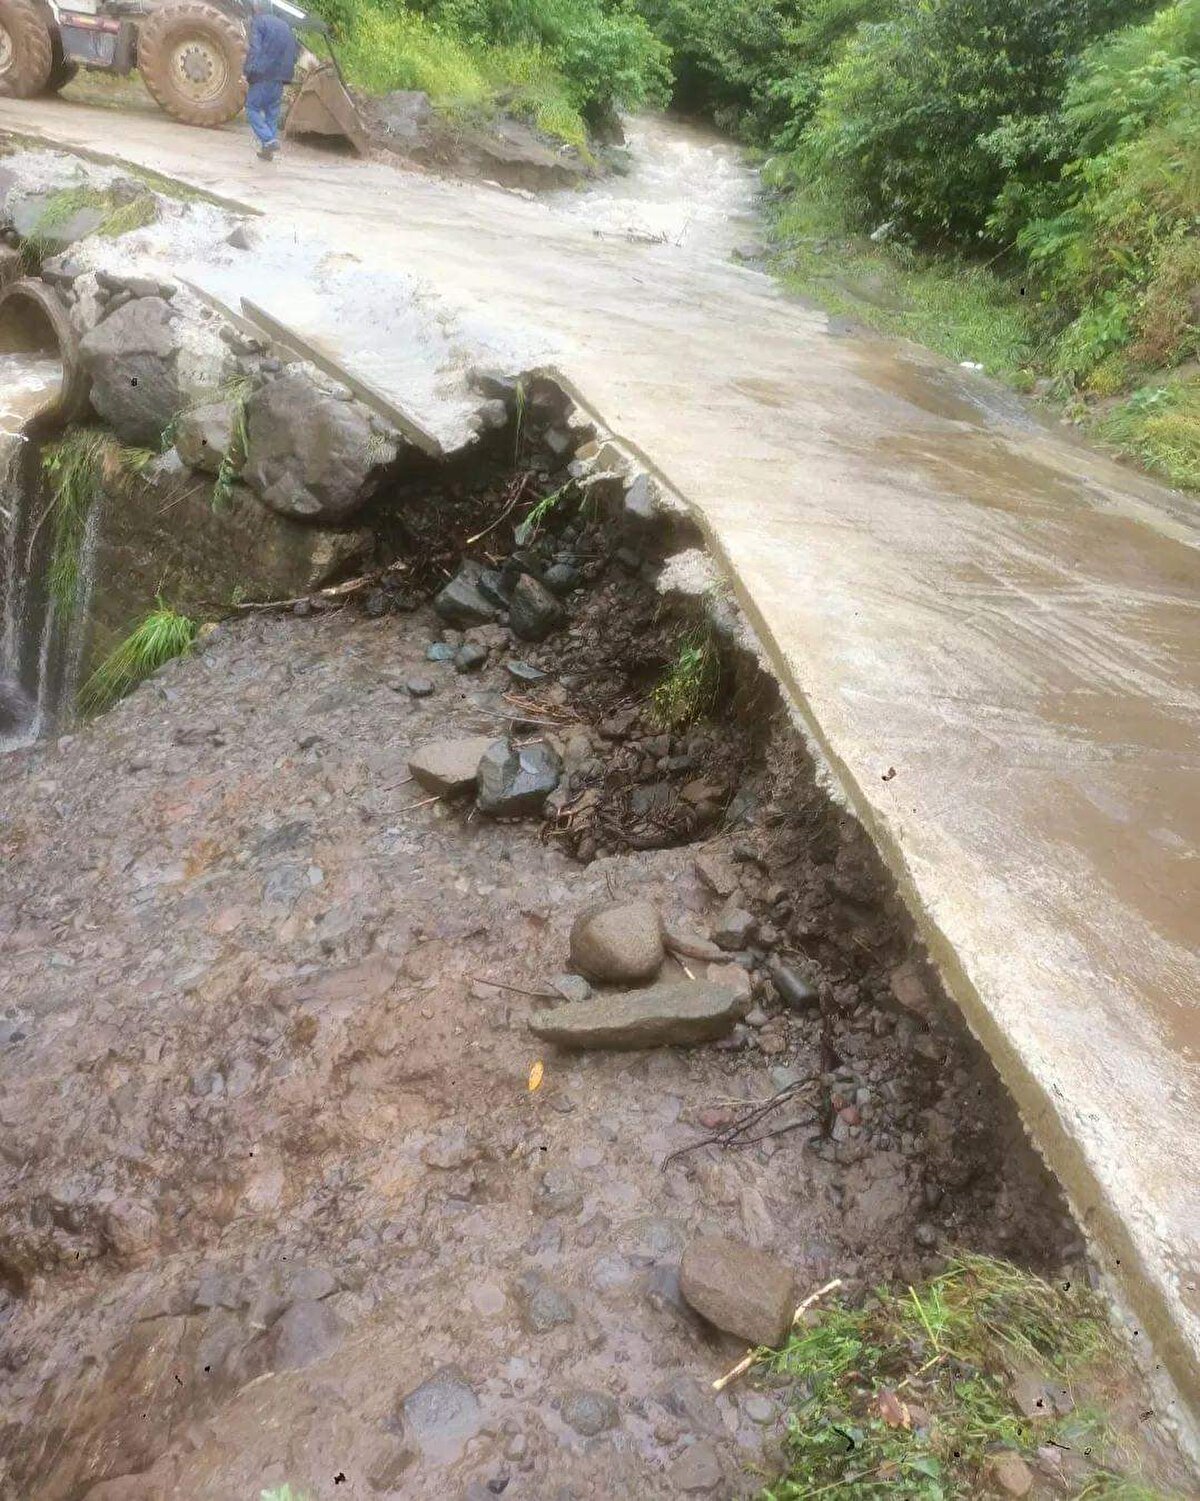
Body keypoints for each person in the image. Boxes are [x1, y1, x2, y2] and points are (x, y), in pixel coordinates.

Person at [243, 0, 299, 160]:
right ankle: (267, 152)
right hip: (280, 78)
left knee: (251, 107)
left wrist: (247, 72)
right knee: (271, 113)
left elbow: (255, 49)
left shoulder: (259, 22)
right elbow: (293, 53)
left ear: (257, 8)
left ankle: (268, 139)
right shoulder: (285, 26)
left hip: (263, 75)